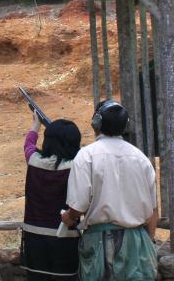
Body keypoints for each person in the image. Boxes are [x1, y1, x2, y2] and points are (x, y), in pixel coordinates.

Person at [61, 99, 158, 281]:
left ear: (96, 122)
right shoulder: (141, 158)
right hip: (138, 242)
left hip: (100, 244)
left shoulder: (86, 156)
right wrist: (149, 243)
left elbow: (79, 205)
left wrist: (69, 217)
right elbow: (153, 211)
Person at [22, 110, 81, 281]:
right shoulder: (76, 165)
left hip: (33, 237)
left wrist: (36, 124)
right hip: (65, 238)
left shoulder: (34, 160)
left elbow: (29, 145)